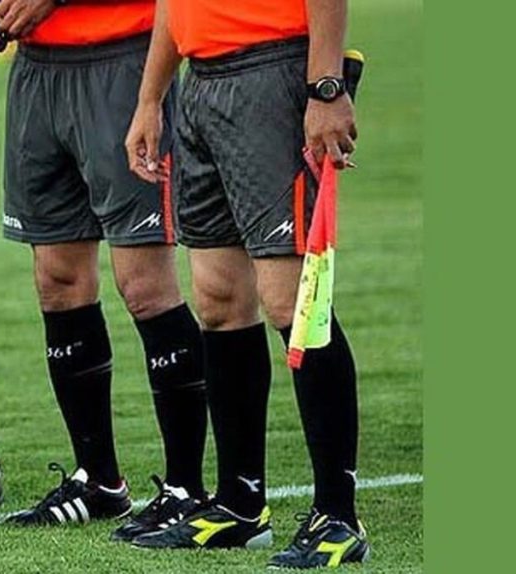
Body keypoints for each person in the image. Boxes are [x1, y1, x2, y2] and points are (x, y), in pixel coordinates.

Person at [125, 0, 369, 567]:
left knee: (291, 301)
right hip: (200, 83)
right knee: (218, 301)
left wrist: (326, 87)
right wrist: (150, 98)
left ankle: (338, 515)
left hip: (272, 73)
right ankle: (240, 503)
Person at [0, 0, 208, 531]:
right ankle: (99, 480)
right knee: (57, 281)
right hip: (37, 70)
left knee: (145, 286)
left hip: (124, 62)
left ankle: (186, 488)